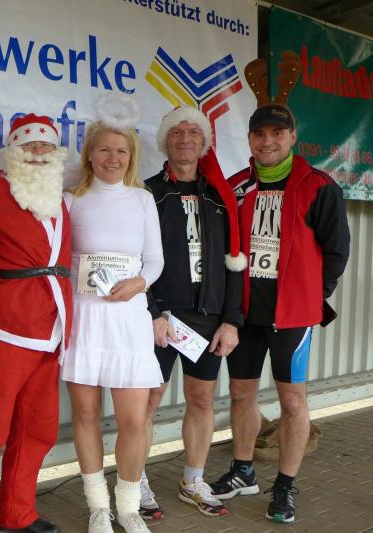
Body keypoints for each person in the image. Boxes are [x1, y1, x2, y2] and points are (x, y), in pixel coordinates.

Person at [208, 57, 351, 523]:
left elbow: (337, 249)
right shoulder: (238, 186)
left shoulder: (318, 186)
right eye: (259, 133)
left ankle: (285, 485)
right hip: (245, 313)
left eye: (277, 133)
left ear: (292, 137)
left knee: (292, 401)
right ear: (250, 138)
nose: (267, 141)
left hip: (292, 314)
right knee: (242, 395)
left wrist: (312, 294)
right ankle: (243, 470)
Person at [0, 114, 72, 533]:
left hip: (51, 328)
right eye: (29, 145)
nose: (38, 153)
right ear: (13, 149)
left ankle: (17, 512)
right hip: (4, 326)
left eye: (45, 145)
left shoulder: (60, 196)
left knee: (37, 428)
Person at [62, 95, 163, 533]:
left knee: (133, 420)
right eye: (104, 149)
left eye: (122, 151)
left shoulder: (142, 200)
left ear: (131, 156)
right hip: (85, 319)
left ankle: (128, 507)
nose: (113, 158)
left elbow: (155, 261)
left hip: (128, 320)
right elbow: (57, 257)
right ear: (89, 153)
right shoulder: (71, 200)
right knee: (86, 416)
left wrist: (139, 283)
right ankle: (98, 508)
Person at [140, 107, 245, 520]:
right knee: (148, 400)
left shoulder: (220, 196)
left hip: (208, 317)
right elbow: (134, 258)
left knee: (201, 399)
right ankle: (135, 481)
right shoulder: (148, 192)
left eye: (193, 133)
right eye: (176, 132)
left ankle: (193, 481)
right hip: (161, 317)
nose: (185, 139)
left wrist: (231, 319)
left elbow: (235, 259)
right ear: (164, 141)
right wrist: (151, 312)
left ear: (203, 142)